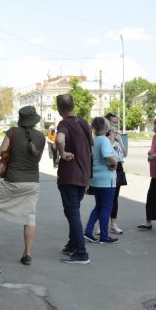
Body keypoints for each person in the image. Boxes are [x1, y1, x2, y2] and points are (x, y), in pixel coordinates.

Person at [0, 106, 45, 265]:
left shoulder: (12, 132)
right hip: (33, 182)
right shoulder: (41, 136)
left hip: (13, 181)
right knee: (29, 217)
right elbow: (36, 159)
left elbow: (1, 151)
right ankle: (27, 254)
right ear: (34, 121)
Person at [56, 94, 92, 264]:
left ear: (58, 109)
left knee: (72, 213)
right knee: (74, 210)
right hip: (83, 174)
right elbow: (89, 150)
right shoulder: (84, 123)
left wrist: (62, 153)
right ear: (74, 105)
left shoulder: (64, 124)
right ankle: (72, 244)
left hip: (69, 175)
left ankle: (81, 252)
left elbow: (59, 139)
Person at [83, 117, 118, 244]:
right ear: (106, 127)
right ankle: (104, 235)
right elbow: (107, 155)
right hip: (106, 178)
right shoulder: (104, 140)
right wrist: (114, 164)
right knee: (106, 207)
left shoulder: (94, 140)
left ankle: (88, 231)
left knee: (98, 206)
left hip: (95, 178)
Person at [104, 112, 126, 234]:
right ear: (107, 123)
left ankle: (113, 223)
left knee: (114, 198)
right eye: (114, 122)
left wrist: (120, 141)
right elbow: (108, 151)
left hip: (118, 168)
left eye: (117, 122)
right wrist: (112, 138)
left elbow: (124, 152)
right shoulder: (103, 137)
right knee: (104, 197)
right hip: (107, 168)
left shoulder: (117, 135)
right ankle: (102, 223)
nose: (116, 125)